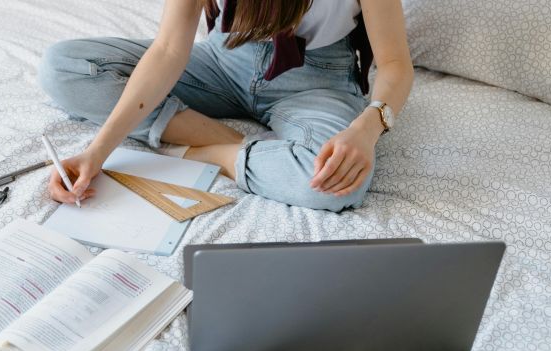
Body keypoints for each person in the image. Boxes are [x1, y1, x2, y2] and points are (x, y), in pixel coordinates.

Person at [38, 0, 413, 212]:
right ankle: (230, 143)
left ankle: (207, 151)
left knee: (335, 184)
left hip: (316, 80)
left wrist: (368, 126)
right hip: (224, 59)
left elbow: (395, 63)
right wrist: (98, 150)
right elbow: (169, 49)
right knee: (64, 67)